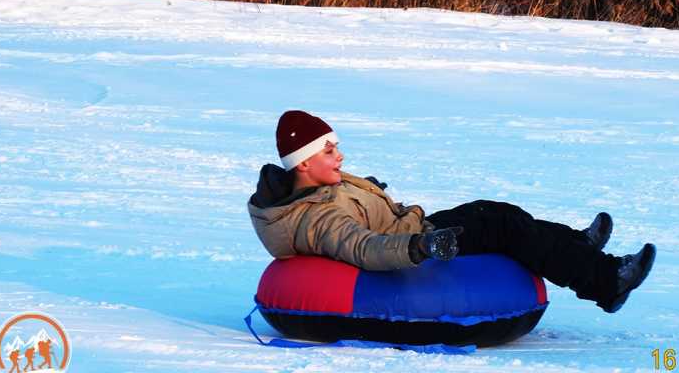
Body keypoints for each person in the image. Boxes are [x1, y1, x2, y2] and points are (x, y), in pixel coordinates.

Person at [248, 110, 656, 313]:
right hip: (414, 243)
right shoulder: (317, 218)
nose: (340, 156)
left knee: (496, 211)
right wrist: (420, 247)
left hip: (413, 227)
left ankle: (575, 245)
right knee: (504, 227)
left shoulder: (319, 187)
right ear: (304, 163)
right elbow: (364, 248)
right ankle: (607, 281)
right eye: (329, 151)